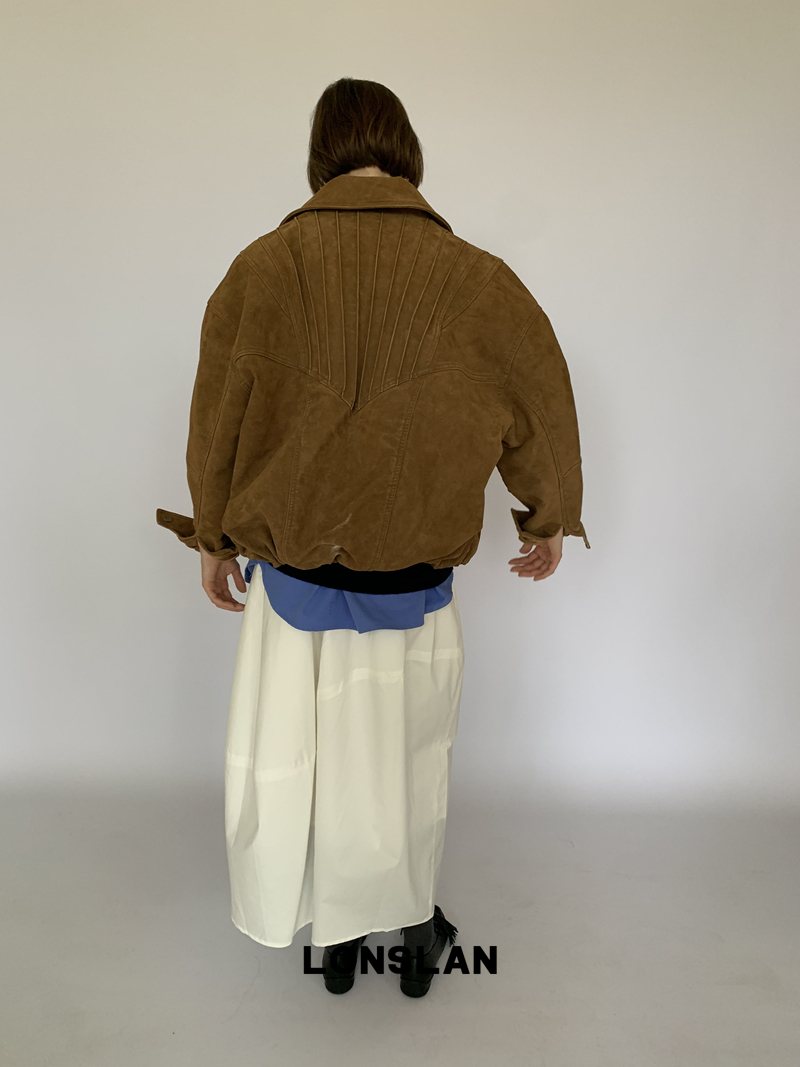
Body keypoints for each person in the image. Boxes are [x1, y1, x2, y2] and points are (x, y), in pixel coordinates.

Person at [156, 77, 589, 998]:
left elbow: (215, 419)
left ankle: (343, 938)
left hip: (293, 588)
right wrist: (548, 515)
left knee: (308, 762)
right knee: (402, 766)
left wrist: (213, 536)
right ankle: (409, 928)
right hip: (413, 589)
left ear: (321, 153)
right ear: (406, 150)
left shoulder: (260, 269)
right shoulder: (481, 280)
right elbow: (541, 405)